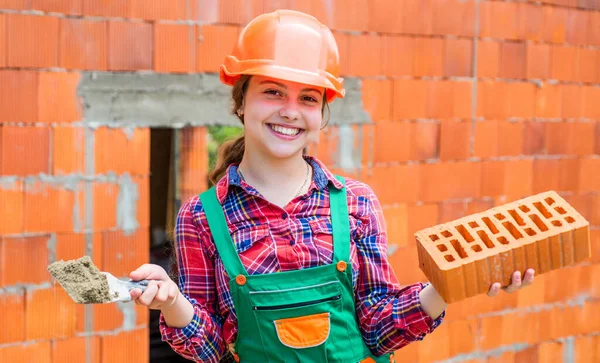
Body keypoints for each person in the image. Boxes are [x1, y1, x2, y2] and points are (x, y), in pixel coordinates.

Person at [129, 9, 536, 363]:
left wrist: (448, 286)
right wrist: (172, 303)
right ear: (241, 101)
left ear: (322, 112)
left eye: (308, 98)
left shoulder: (356, 203)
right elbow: (210, 349)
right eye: (272, 92)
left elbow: (379, 327)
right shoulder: (201, 217)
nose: (290, 112)